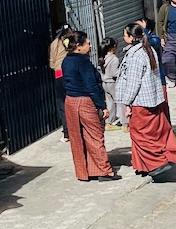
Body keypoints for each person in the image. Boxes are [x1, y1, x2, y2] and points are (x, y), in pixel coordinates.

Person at [115, 21, 176, 179]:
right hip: (152, 100)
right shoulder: (147, 49)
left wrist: (127, 102)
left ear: (131, 38)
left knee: (141, 135)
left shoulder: (136, 55)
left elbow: (133, 83)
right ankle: (142, 166)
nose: (123, 38)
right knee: (150, 133)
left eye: (125, 35)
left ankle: (157, 164)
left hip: (141, 102)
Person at [59, 30, 120, 183]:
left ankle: (84, 171)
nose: (91, 45)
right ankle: (104, 171)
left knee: (77, 137)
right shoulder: (83, 62)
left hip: (70, 101)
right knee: (95, 136)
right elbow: (91, 85)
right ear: (78, 46)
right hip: (85, 101)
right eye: (87, 43)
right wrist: (103, 106)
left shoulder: (66, 61)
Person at [49, 24, 73, 141]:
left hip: (59, 75)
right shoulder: (71, 41)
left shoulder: (54, 44)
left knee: (62, 105)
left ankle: (67, 133)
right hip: (70, 73)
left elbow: (52, 63)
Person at [99, 37, 126, 129]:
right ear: (114, 47)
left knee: (109, 103)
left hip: (105, 83)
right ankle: (125, 123)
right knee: (120, 102)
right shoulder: (114, 59)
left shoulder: (103, 58)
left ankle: (108, 122)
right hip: (113, 83)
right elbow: (115, 73)